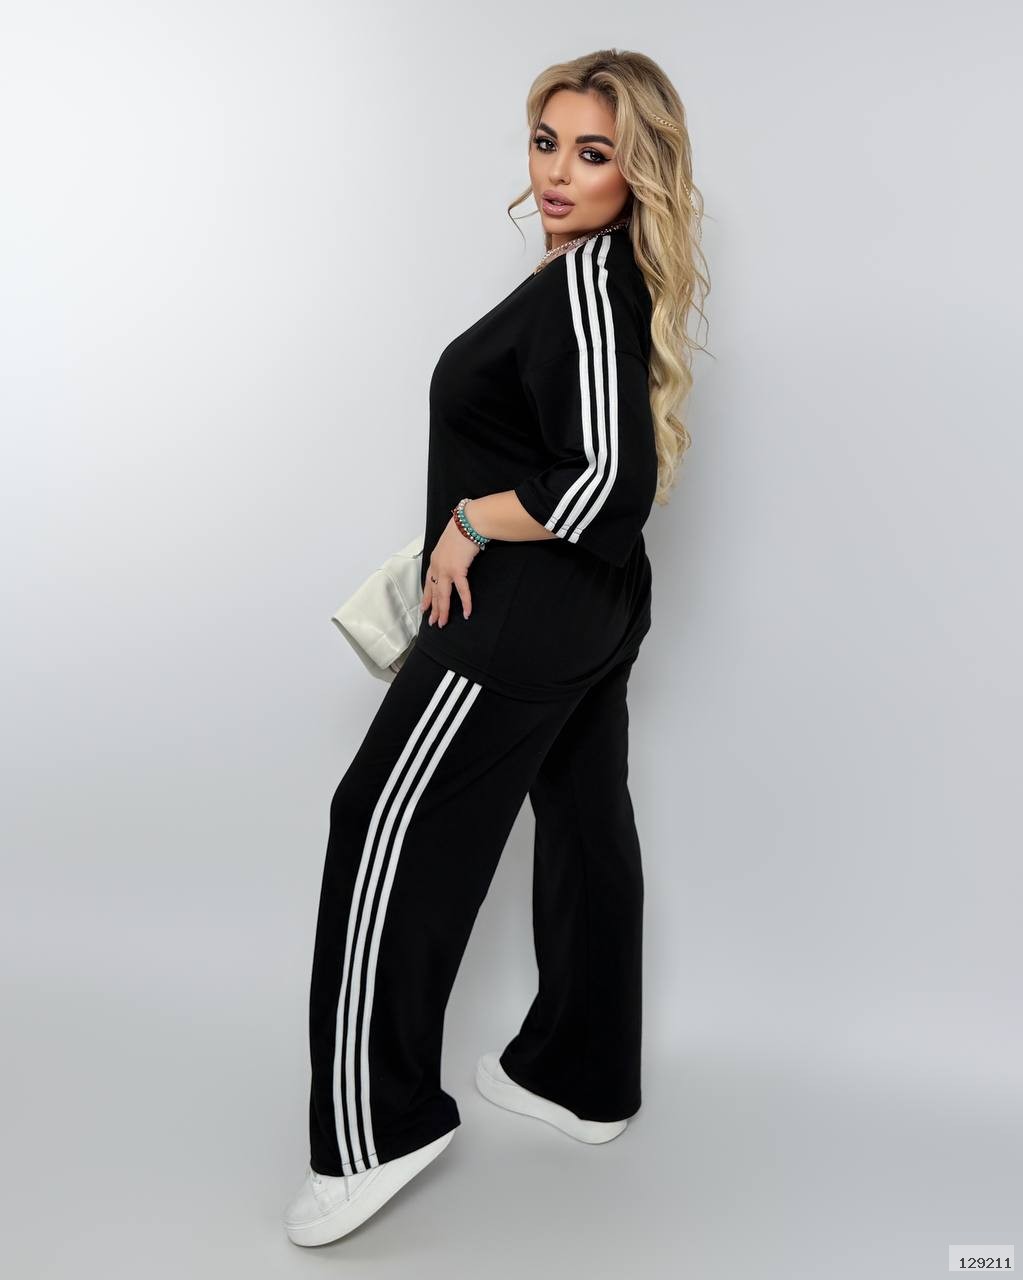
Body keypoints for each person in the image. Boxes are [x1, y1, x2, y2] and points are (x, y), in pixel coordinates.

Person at [284, 47, 707, 1247]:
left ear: (639, 172)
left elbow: (607, 481)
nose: (560, 173)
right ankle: (581, 1073)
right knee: (582, 816)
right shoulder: (594, 274)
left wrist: (468, 522)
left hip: (519, 620)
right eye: (546, 142)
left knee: (378, 821)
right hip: (590, 611)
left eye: (594, 152)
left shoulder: (588, 285)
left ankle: (375, 1129)